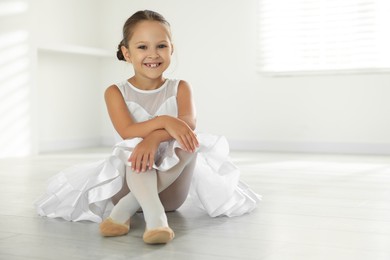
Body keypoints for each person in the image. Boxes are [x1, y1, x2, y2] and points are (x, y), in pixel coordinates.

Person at [35, 10, 260, 245]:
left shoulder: (181, 87)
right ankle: (155, 219)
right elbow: (127, 131)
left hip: (171, 194)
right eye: (142, 47)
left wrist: (153, 140)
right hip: (127, 183)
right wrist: (164, 121)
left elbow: (188, 125)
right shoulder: (115, 92)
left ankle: (125, 210)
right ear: (127, 53)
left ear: (172, 49)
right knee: (135, 145)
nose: (153, 54)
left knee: (189, 141)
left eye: (161, 46)